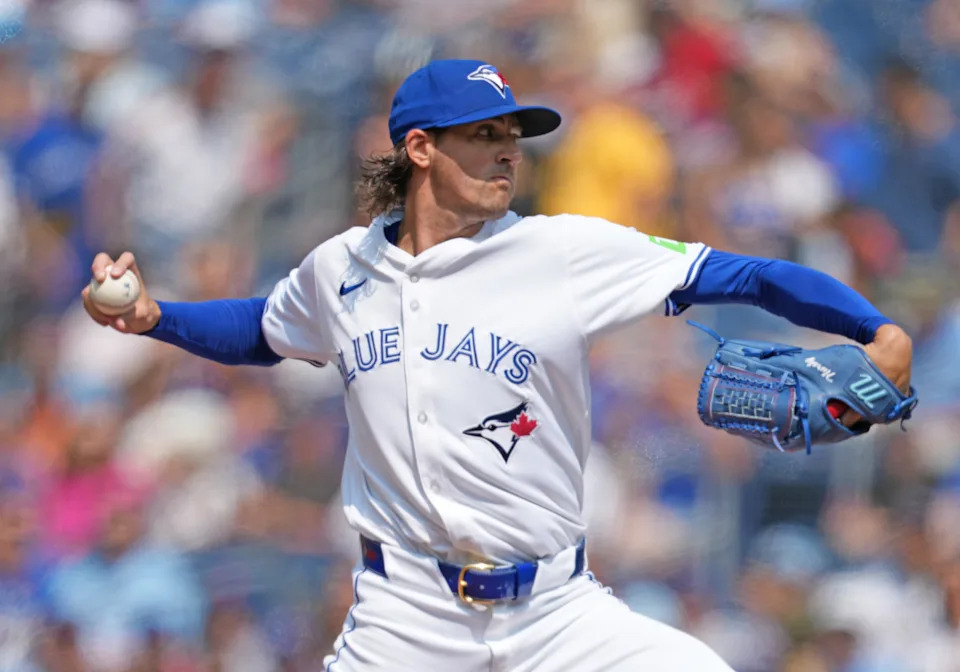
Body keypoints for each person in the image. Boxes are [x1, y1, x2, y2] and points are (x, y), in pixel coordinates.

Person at [81, 59, 913, 671]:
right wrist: (155, 318)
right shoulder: (341, 268)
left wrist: (876, 328)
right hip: (405, 618)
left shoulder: (559, 249)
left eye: (513, 137)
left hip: (557, 612)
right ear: (420, 147)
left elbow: (743, 273)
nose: (508, 153)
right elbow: (262, 328)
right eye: (485, 136)